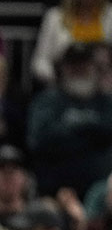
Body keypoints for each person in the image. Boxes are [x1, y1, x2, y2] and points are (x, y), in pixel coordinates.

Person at [27, 42, 112, 197]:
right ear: (63, 68)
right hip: (55, 191)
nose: (79, 69)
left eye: (84, 64)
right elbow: (39, 141)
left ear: (94, 67)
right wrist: (91, 133)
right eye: (73, 64)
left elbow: (108, 131)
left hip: (102, 192)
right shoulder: (46, 101)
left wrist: (70, 134)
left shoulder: (106, 102)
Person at [32, 0, 112, 84]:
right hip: (63, 86)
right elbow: (40, 62)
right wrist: (60, 78)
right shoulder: (54, 17)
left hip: (104, 87)